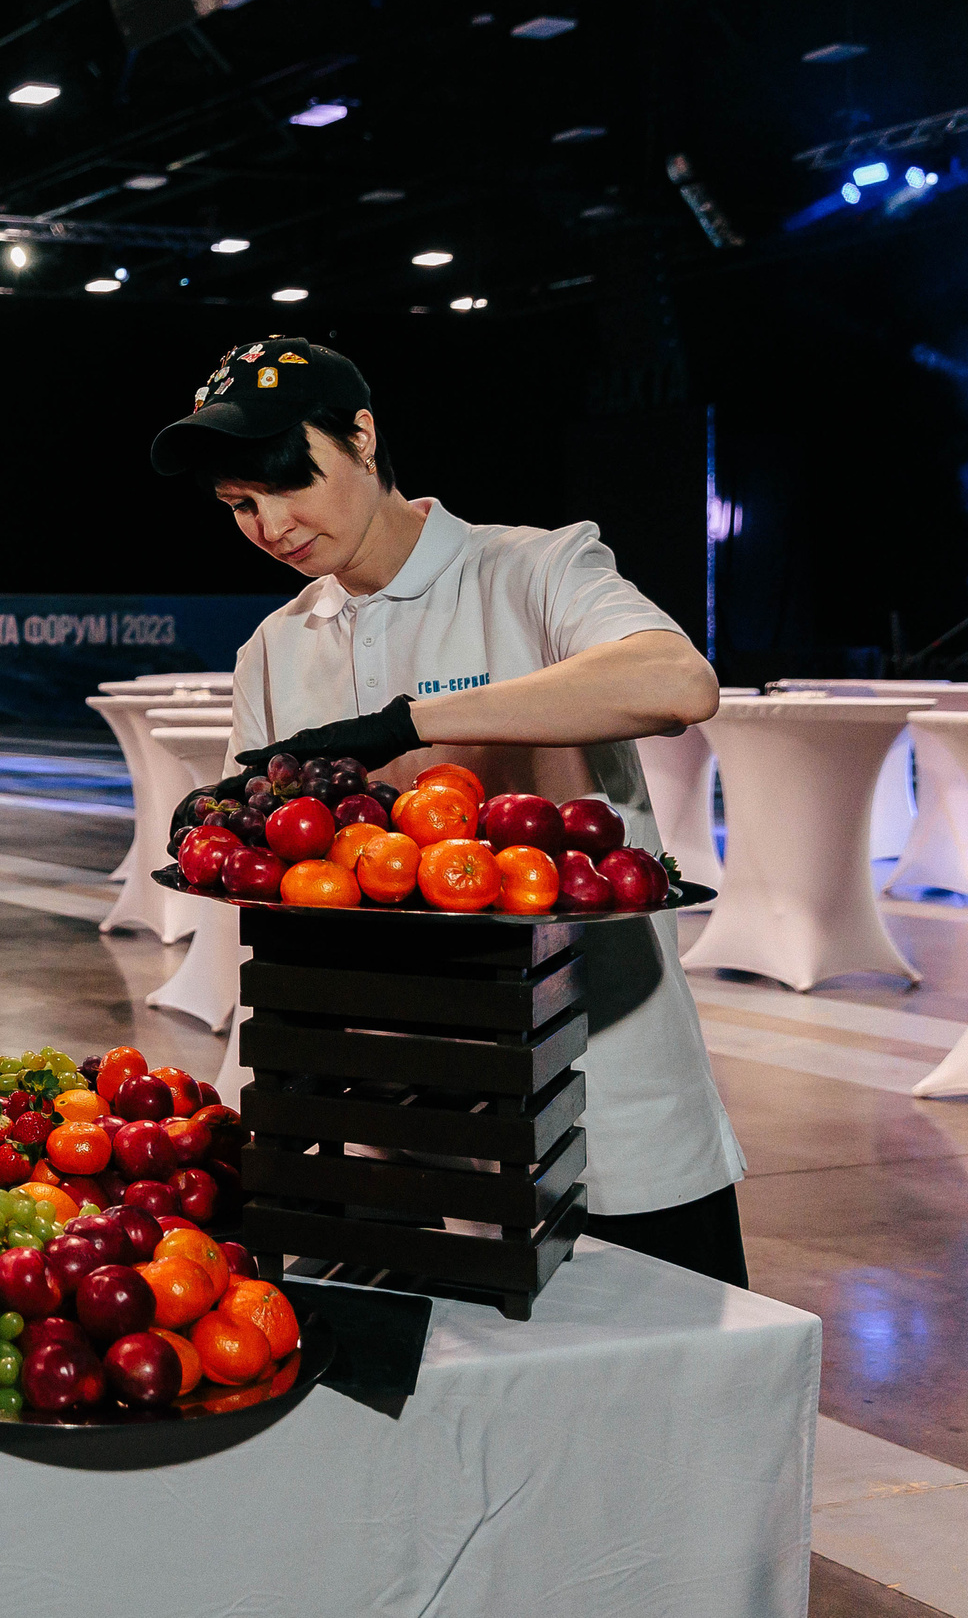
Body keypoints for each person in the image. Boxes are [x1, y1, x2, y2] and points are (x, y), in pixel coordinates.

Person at [150, 337, 749, 1287]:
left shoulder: (535, 570)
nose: (270, 523)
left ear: (362, 435)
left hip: (599, 1096)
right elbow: (283, 904)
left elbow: (677, 682)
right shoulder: (275, 647)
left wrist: (409, 723)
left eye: (284, 480)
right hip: (392, 1129)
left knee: (653, 1407)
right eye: (238, 506)